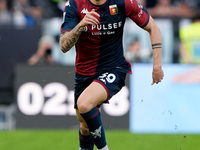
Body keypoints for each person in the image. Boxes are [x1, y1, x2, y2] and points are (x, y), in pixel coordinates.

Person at [59, 0, 164, 149]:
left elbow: (153, 27)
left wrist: (157, 66)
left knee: (84, 104)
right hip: (84, 72)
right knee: (84, 125)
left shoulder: (123, 2)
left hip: (114, 68)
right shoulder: (74, 4)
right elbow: (63, 46)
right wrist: (80, 25)